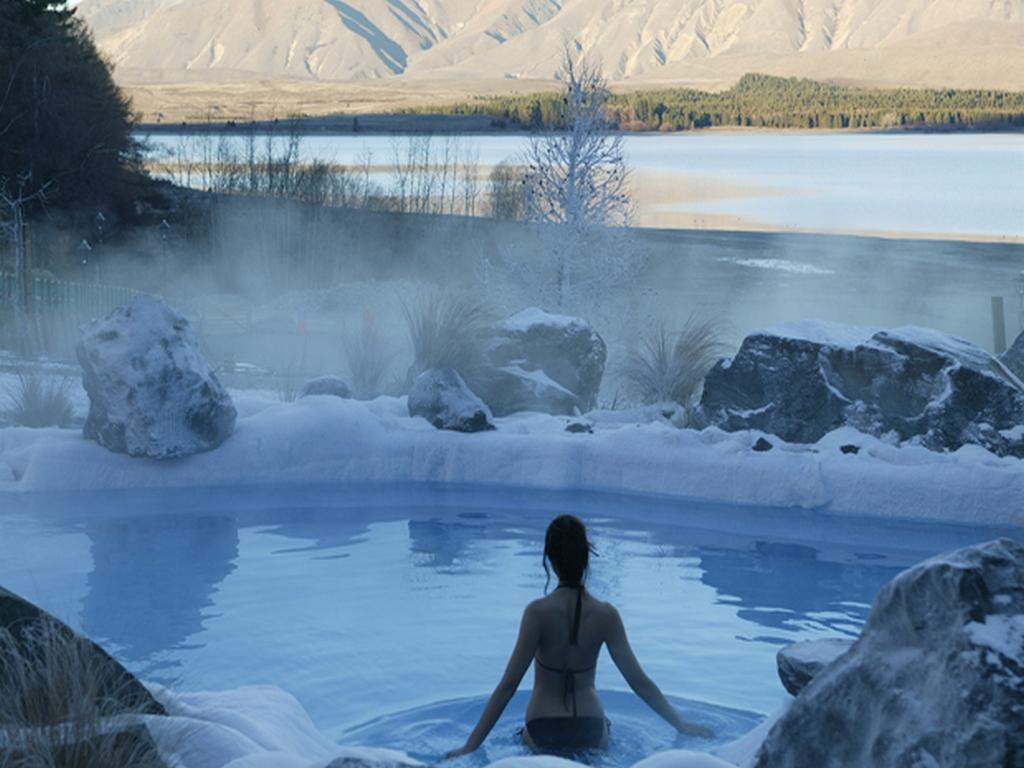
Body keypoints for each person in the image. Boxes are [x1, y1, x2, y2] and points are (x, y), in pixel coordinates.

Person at [445, 514, 713, 758]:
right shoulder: (606, 615)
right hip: (591, 728)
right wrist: (681, 724)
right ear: (586, 557)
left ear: (549, 559)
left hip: (542, 727)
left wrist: (470, 747)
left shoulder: (536, 613)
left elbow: (508, 686)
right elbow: (638, 682)